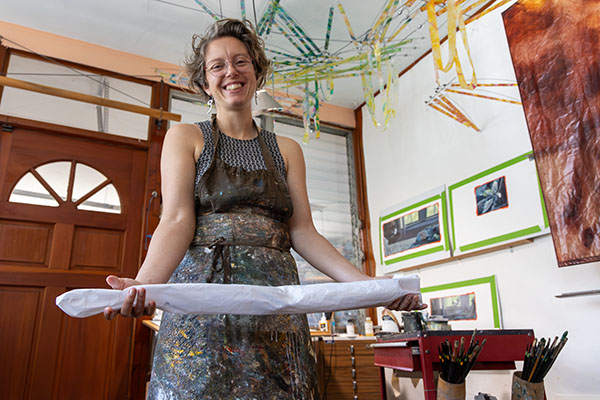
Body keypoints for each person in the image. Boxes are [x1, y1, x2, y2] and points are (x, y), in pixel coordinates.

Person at [103, 18, 426, 399]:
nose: (230, 72)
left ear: (256, 71)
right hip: (204, 298)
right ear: (205, 82)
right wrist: (143, 283)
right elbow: (176, 220)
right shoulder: (185, 137)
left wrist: (370, 287)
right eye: (217, 66)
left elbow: (303, 232)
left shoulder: (287, 149)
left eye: (240, 61)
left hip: (277, 305)